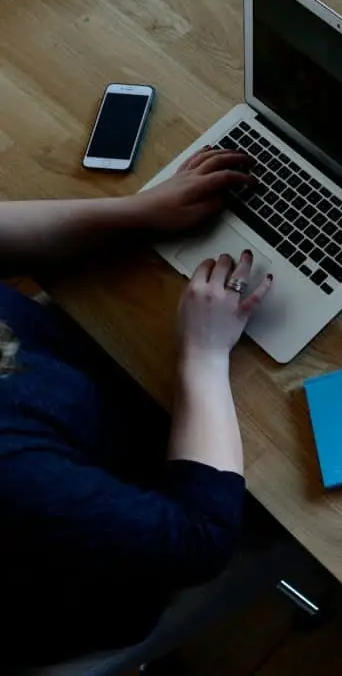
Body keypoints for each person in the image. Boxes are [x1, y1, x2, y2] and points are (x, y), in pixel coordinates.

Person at [0, 147, 273, 666]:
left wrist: (138, 211)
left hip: (80, 384)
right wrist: (204, 356)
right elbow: (199, 537)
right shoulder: (14, 475)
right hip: (117, 559)